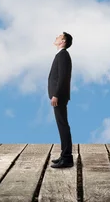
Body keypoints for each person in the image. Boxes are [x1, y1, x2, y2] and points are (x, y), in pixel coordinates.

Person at [48, 32, 73, 168]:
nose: (56, 37)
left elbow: (63, 77)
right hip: (58, 96)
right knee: (62, 125)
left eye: (58, 36)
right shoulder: (60, 55)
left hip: (59, 96)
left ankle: (67, 158)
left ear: (63, 41)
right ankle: (64, 155)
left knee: (63, 125)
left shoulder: (63, 55)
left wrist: (56, 94)